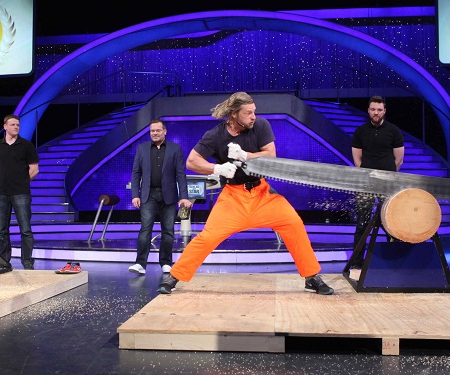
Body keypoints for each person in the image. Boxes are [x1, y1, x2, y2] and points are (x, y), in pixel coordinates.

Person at [158, 92, 333, 295]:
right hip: (233, 198)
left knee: (293, 224)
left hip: (262, 193)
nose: (253, 116)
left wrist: (245, 155)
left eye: (254, 112)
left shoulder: (260, 126)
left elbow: (271, 156)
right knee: (207, 237)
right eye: (248, 113)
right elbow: (192, 161)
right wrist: (217, 169)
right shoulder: (215, 135)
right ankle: (174, 276)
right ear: (234, 114)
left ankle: (311, 277)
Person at [129, 119, 194, 275]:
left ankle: (165, 263)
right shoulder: (142, 148)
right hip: (148, 195)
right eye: (152, 131)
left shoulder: (175, 149)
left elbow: (180, 174)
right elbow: (136, 173)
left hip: (169, 196)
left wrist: (184, 197)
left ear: (165, 131)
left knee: (168, 231)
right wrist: (135, 195)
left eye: (158, 130)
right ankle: (140, 264)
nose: (155, 133)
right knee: (145, 229)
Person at [350, 95, 405, 267]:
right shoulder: (360, 131)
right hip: (366, 183)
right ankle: (357, 263)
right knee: (362, 224)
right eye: (373, 109)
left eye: (379, 110)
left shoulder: (393, 131)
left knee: (390, 223)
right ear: (368, 110)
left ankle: (393, 263)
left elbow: (398, 161)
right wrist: (366, 177)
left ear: (384, 111)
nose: (376, 112)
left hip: (388, 184)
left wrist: (389, 178)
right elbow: (357, 160)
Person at [0, 114, 39, 271]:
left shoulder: (26, 145)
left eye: (17, 125)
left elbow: (34, 169)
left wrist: (22, 181)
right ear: (5, 127)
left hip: (21, 192)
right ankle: (3, 261)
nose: (16, 127)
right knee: (1, 231)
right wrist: (3, 179)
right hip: (1, 193)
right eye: (13, 124)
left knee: (26, 230)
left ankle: (27, 262)